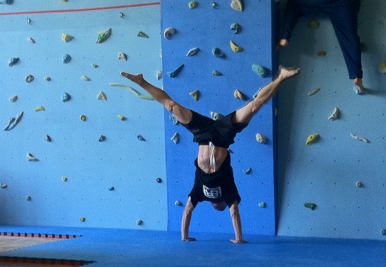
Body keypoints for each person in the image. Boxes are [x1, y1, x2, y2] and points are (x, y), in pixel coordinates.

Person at [121, 66, 301, 244]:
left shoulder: (200, 193)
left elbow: (187, 211)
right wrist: (238, 238)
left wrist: (184, 235)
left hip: (202, 134)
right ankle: (281, 76)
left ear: (214, 204)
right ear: (222, 203)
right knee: (254, 106)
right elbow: (234, 212)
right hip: (223, 135)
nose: (219, 206)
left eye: (218, 206)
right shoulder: (228, 193)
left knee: (171, 106)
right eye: (221, 206)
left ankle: (141, 81)